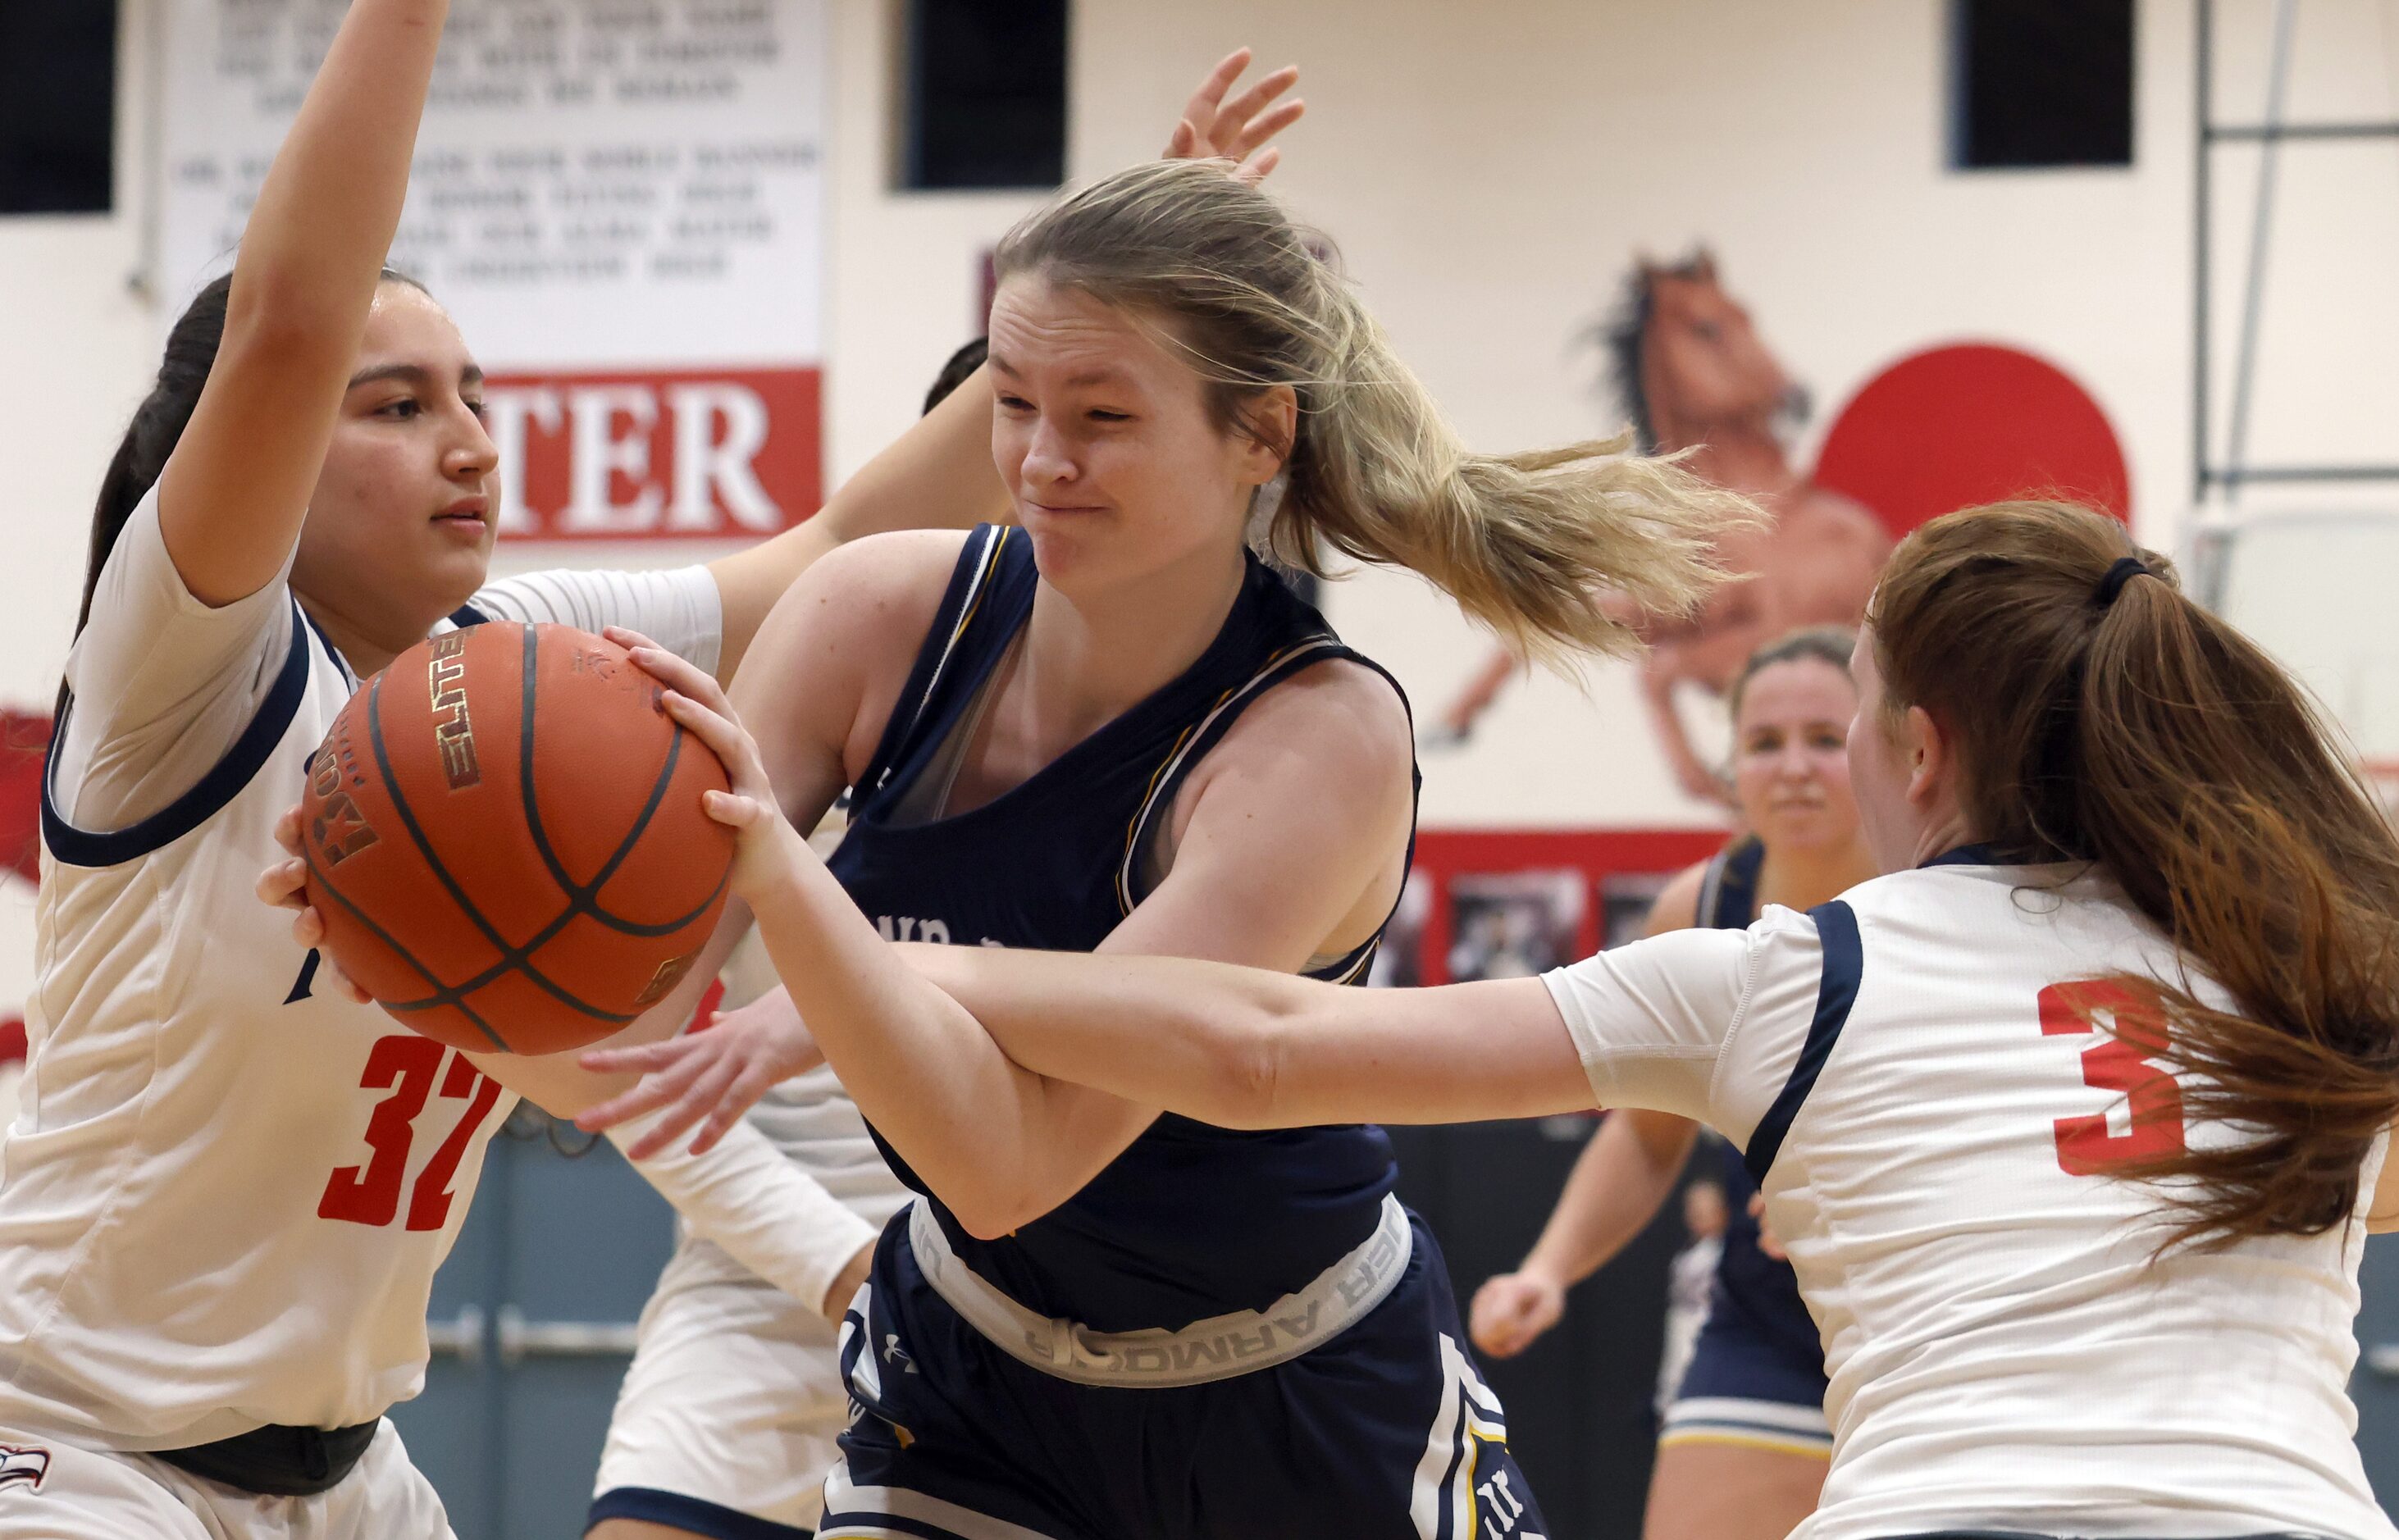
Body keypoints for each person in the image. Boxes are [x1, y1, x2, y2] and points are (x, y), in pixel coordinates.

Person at [607, 499, 2399, 1540]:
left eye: (1844, 715)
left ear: (1913, 750)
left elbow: (1255, 1052)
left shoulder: (1792, 967)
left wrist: (894, 947)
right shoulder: (2300, 984)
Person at [533, 137, 1754, 1534]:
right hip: (976, 1371)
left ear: (1262, 436)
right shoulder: (872, 618)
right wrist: (405, 910)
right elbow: (618, 977)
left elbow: (1014, 1161)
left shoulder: (1319, 740)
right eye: (1011, 403)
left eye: (1103, 416)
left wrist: (814, 933)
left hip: (1292, 1391)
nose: (1041, 461)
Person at [0, 3, 1052, 1533]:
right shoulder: (182, 672)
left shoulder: (524, 658)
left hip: (349, 1473)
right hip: (75, 1446)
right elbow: (291, 317)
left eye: (476, 394)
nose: (473, 441)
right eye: (399, 405)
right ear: (274, 447)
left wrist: (1071, 330)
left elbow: (836, 546)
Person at [1471, 626, 1875, 1540]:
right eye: (1765, 744)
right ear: (1730, 766)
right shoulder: (1700, 909)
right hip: (1766, 1326)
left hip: (1935, 1322)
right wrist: (1549, 1269)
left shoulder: (1949, 891)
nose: (1795, 767)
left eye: (1826, 738)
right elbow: (1647, 1135)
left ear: (1888, 749)